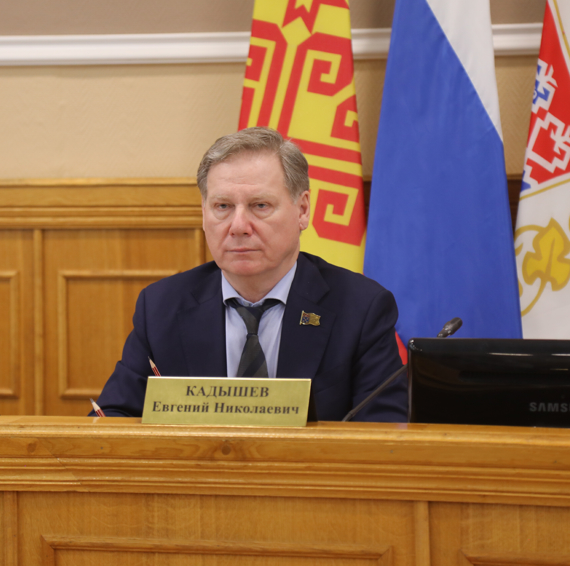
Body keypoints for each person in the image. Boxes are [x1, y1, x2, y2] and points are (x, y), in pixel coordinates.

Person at [93, 127, 407, 422]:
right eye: (222, 206)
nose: (239, 226)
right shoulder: (161, 307)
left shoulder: (361, 308)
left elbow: (384, 432)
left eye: (260, 205)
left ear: (302, 210)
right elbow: (112, 418)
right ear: (203, 213)